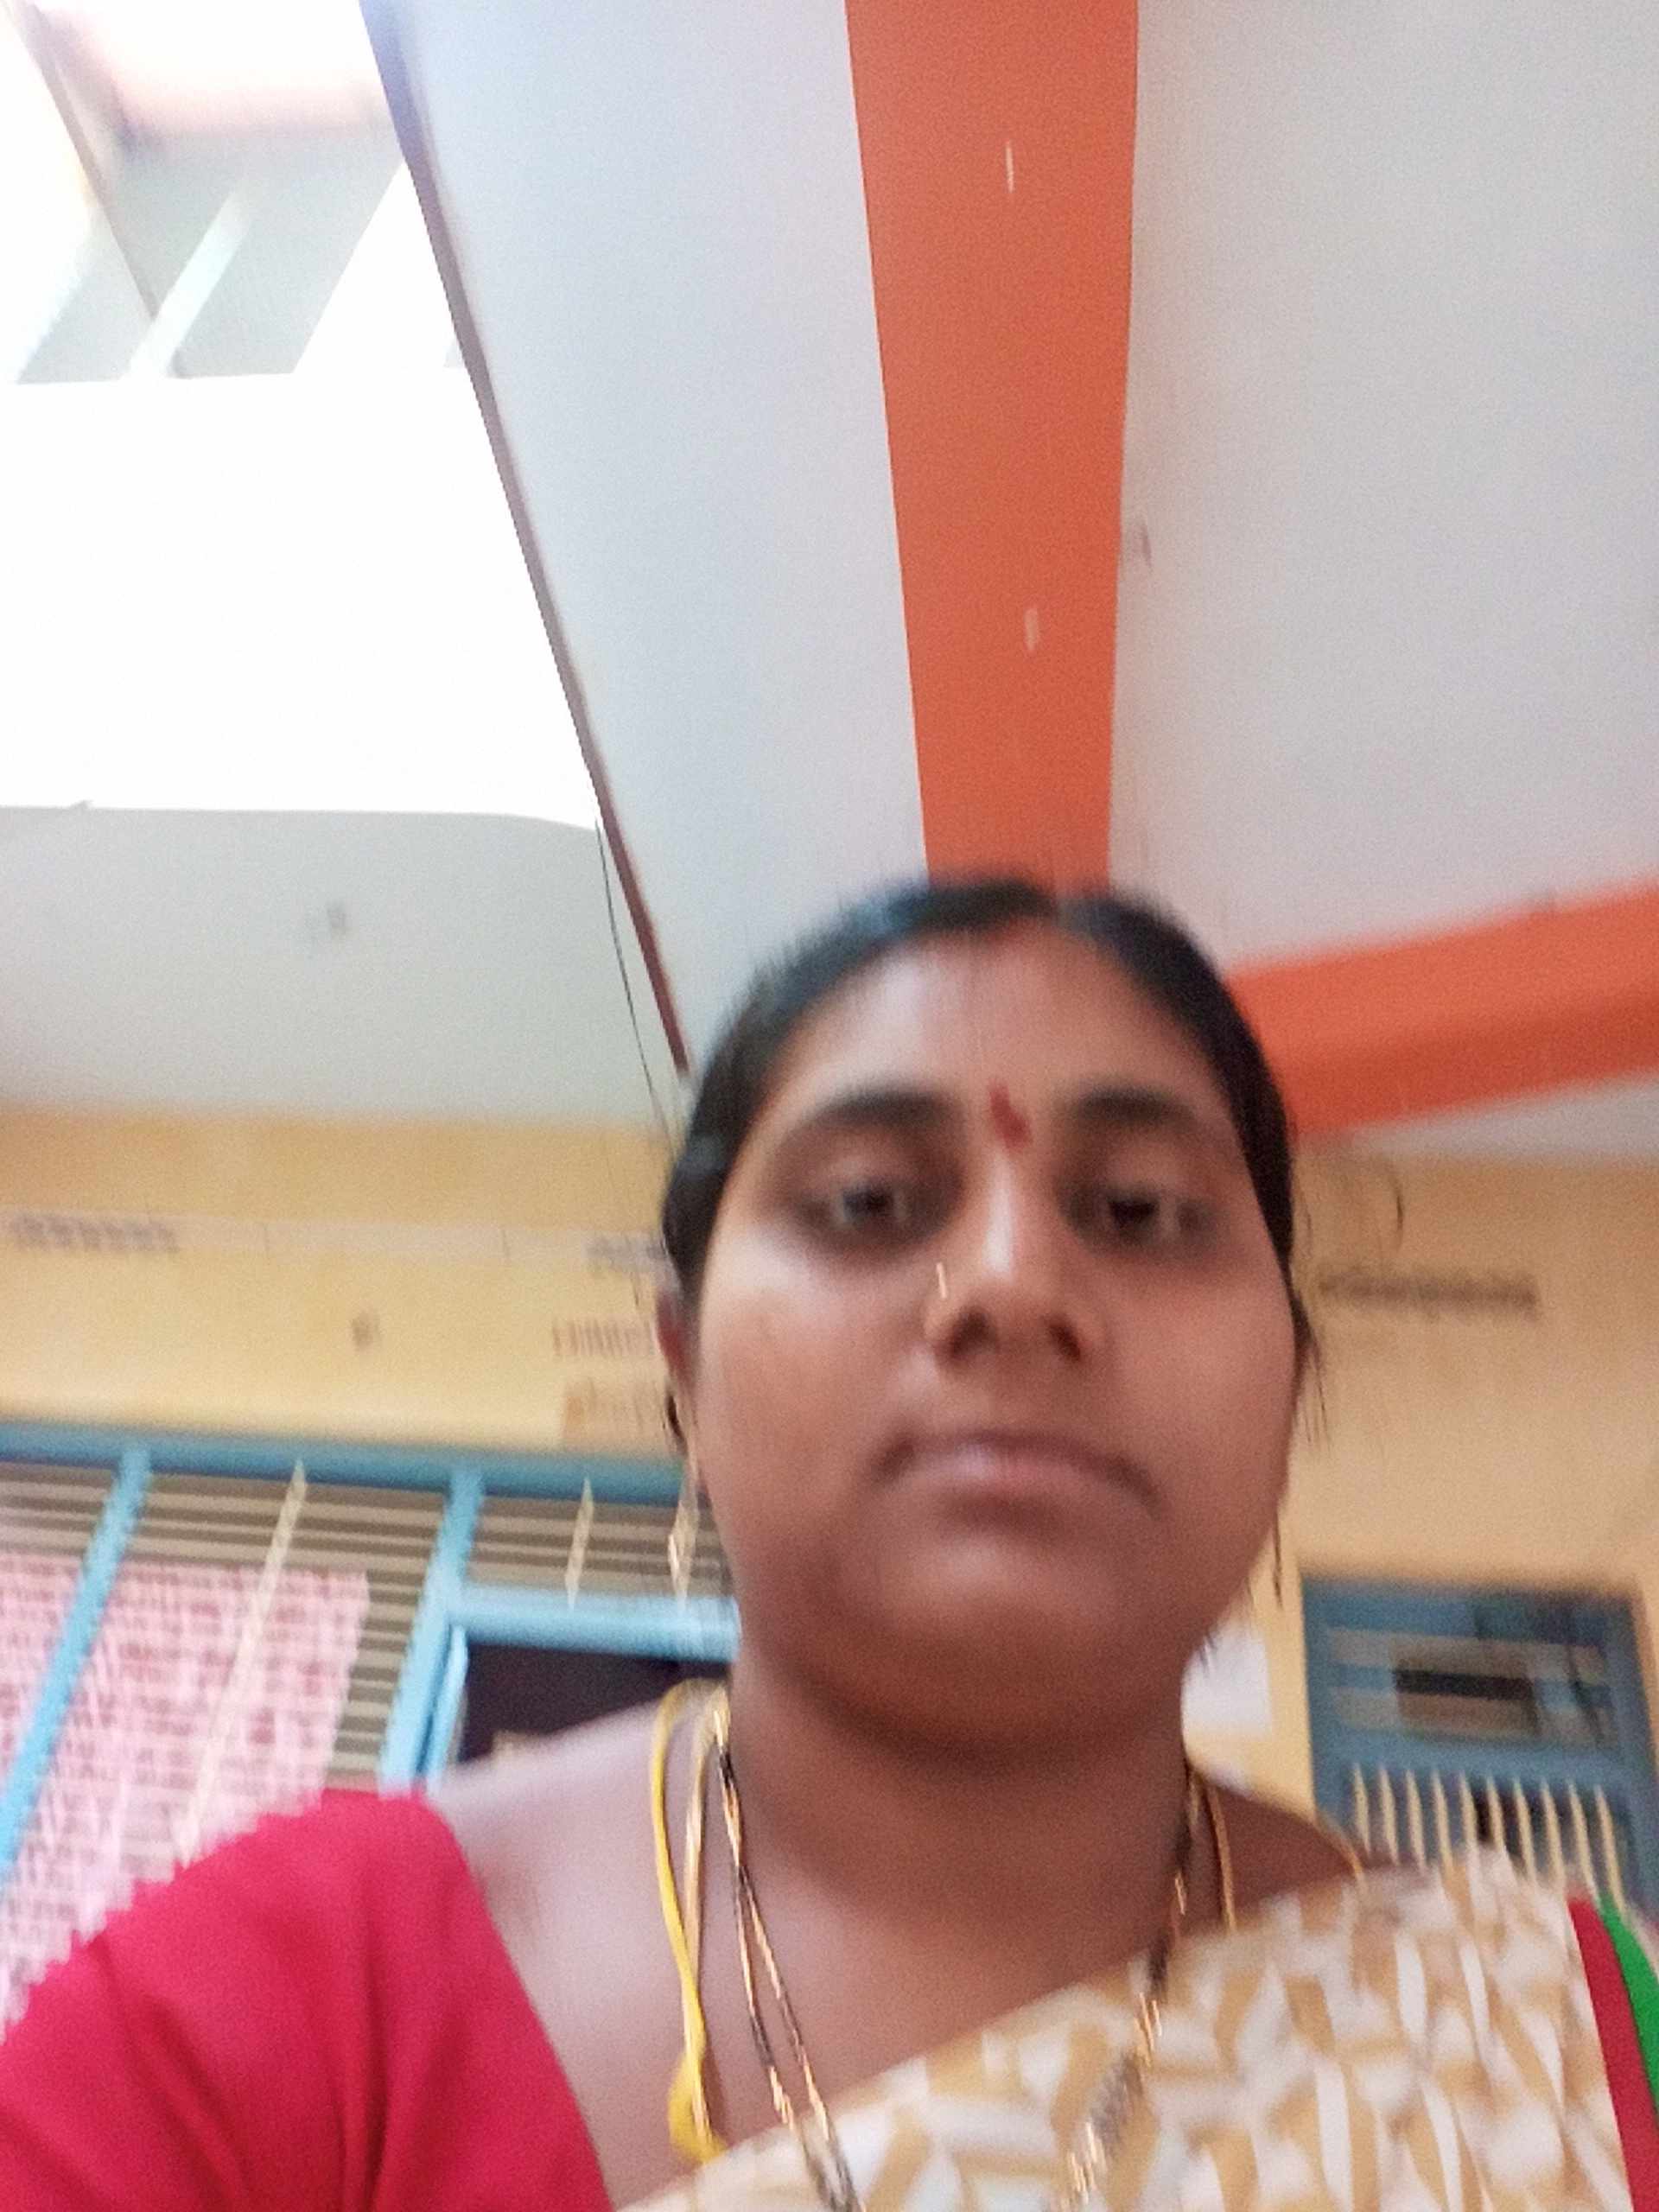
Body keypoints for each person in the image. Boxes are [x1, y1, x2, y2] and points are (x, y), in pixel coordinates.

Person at [0, 876, 1654, 2209]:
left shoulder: (1561, 2044)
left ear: (1287, 1384)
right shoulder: (268, 2017)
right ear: (686, 1374)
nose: (1012, 1285)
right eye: (869, 1202)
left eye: (1141, 1211)